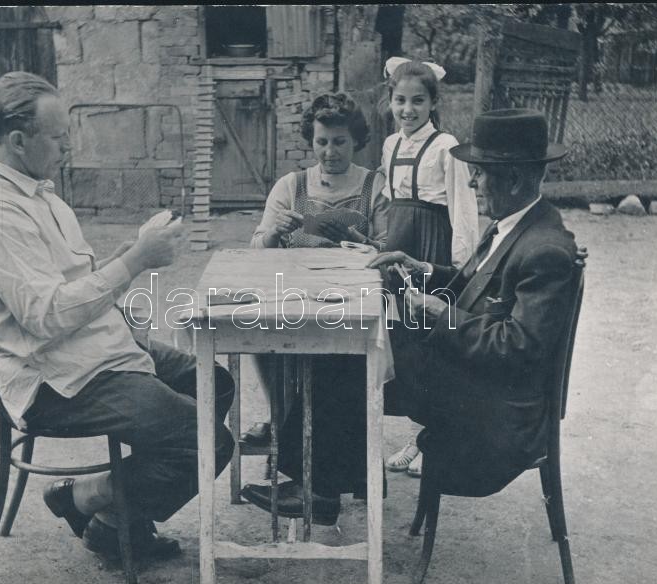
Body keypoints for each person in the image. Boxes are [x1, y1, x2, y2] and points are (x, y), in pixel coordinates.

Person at [0, 71, 235, 561]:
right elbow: (45, 316)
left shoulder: (41, 197)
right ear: (18, 141)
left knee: (216, 383)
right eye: (58, 136)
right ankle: (86, 496)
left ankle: (114, 521)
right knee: (205, 438)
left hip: (90, 351)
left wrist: (121, 260)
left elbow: (67, 289)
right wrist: (135, 261)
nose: (68, 146)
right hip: (53, 379)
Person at [369, 108, 578, 496]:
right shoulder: (513, 224)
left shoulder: (544, 250)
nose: (470, 182)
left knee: (353, 359)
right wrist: (423, 269)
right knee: (360, 348)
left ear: (512, 179)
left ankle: (322, 492)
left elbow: (519, 345)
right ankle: (332, 485)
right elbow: (471, 285)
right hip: (471, 379)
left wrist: (442, 314)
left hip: (494, 410)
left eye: (479, 173)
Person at [239, 92, 389, 524]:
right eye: (322, 142)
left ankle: (313, 481)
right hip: (297, 299)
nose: (330, 152)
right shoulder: (291, 186)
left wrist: (359, 243)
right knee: (262, 335)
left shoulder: (374, 186)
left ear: (355, 141)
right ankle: (293, 448)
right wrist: (274, 232)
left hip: (351, 301)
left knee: (338, 358)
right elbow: (257, 248)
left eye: (339, 142)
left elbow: (387, 249)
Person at [379, 57, 479, 477]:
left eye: (418, 101)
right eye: (400, 100)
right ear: (391, 101)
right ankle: (418, 434)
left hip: (432, 250)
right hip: (399, 250)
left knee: (433, 344)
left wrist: (460, 268)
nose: (408, 109)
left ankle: (434, 441)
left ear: (433, 102)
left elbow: (463, 209)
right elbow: (391, 204)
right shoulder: (390, 145)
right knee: (405, 347)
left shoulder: (446, 147)